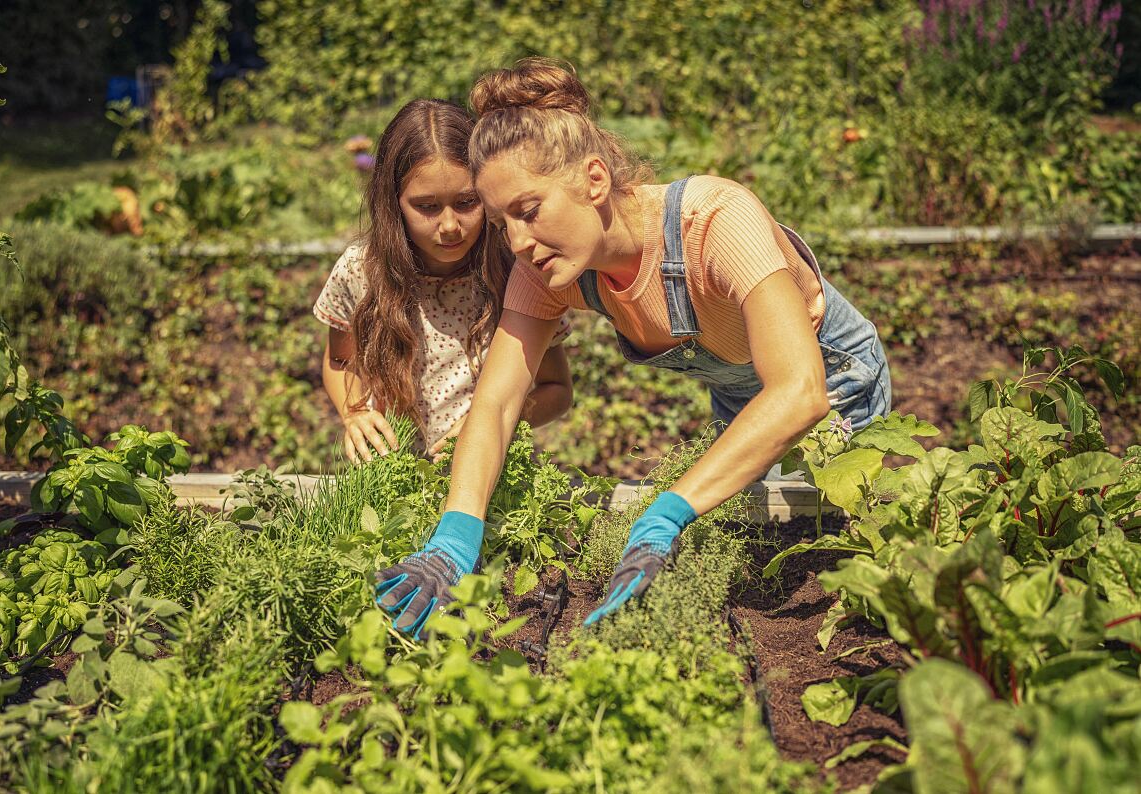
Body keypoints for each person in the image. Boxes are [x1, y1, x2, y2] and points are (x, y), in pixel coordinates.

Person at [374, 60, 891, 636]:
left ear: (594, 181)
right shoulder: (549, 271)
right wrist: (454, 538)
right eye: (501, 223)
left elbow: (799, 390)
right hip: (743, 401)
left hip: (833, 384)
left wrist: (662, 513)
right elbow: (494, 406)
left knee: (851, 566)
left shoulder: (715, 220)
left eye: (528, 211)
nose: (517, 241)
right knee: (761, 557)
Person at [314, 98, 573, 464]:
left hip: (492, 478)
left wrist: (489, 426)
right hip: (390, 479)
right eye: (427, 207)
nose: (450, 226)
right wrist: (353, 413)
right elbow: (340, 363)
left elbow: (557, 389)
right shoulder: (361, 271)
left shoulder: (518, 273)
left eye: (467, 202)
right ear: (393, 202)